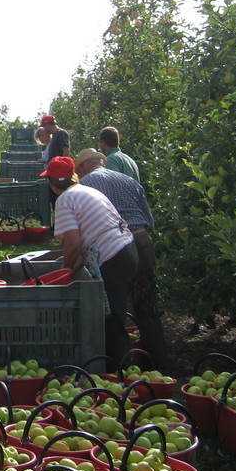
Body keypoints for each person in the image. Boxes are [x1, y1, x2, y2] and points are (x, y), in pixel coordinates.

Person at [42, 156, 138, 372]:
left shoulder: (65, 199)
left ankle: (121, 375)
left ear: (51, 182)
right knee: (113, 314)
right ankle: (117, 369)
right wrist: (72, 269)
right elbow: (85, 246)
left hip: (112, 255)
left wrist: (64, 272)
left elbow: (73, 244)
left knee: (112, 320)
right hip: (127, 249)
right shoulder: (88, 191)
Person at [75, 149, 168, 368]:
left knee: (115, 308)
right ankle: (160, 360)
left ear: (81, 168)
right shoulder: (129, 180)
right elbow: (149, 220)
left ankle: (122, 366)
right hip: (142, 240)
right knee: (146, 303)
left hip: (115, 247)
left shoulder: (85, 186)